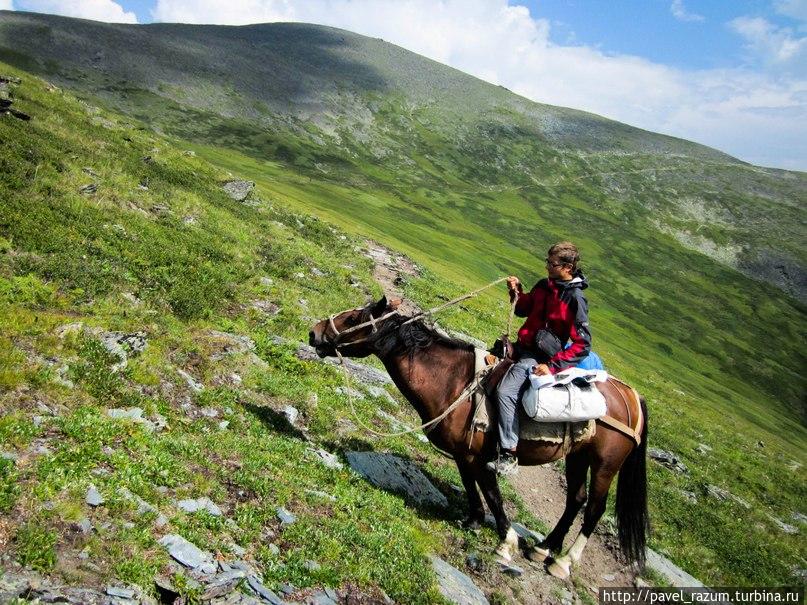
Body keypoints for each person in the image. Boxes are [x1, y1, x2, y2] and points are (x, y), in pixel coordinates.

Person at [488, 241, 592, 475]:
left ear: (567, 266)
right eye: (547, 261)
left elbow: (582, 343)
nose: (547, 267)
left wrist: (552, 367)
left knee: (506, 391)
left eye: (551, 263)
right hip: (522, 347)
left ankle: (508, 453)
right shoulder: (545, 285)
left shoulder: (575, 299)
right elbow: (523, 309)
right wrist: (516, 291)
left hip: (538, 357)